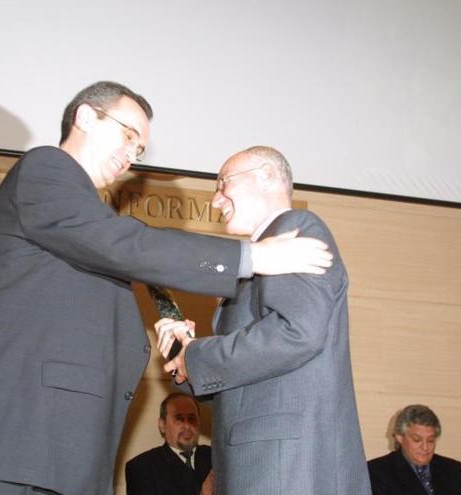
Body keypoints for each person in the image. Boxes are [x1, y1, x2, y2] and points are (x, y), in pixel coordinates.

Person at [0, 81, 333, 495]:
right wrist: (250, 258)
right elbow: (122, 244)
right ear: (86, 116)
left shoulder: (87, 217)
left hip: (52, 451)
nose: (131, 155)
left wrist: (184, 351)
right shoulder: (46, 168)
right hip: (13, 441)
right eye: (128, 135)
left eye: (139, 149)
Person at [155, 146, 371, 495]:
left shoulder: (297, 229)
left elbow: (297, 333)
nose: (216, 200)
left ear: (268, 176)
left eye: (224, 183)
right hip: (265, 460)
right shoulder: (263, 259)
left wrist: (200, 356)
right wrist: (185, 358)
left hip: (286, 464)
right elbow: (257, 375)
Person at [367, 404, 461, 495]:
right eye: (416, 440)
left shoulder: (453, 470)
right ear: (399, 437)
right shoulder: (376, 472)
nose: (425, 447)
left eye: (431, 440)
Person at [125, 393, 212, 495]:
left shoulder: (215, 458)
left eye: (191, 418)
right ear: (162, 425)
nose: (186, 426)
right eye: (179, 419)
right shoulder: (142, 467)